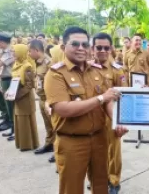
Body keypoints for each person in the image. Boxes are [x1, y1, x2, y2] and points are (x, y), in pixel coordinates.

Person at [44, 27, 127, 194]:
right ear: (63, 46)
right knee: (72, 188)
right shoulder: (55, 75)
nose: (81, 48)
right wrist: (101, 98)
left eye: (84, 44)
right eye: (75, 44)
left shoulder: (95, 71)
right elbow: (64, 109)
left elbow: (107, 102)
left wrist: (118, 121)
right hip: (72, 142)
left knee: (100, 185)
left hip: (98, 138)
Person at [91, 32, 128, 194]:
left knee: (113, 152)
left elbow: (126, 96)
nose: (102, 51)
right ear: (93, 48)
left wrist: (123, 121)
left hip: (112, 118)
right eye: (99, 47)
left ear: (111, 49)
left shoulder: (117, 71)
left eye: (106, 48)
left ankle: (114, 181)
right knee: (96, 152)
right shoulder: (86, 69)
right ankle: (100, 179)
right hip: (92, 118)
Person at [8, 44, 39, 151]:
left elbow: (29, 85)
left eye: (14, 51)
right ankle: (22, 143)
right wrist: (10, 92)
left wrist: (17, 95)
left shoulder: (27, 66)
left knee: (25, 121)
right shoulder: (16, 64)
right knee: (19, 120)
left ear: (20, 52)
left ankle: (28, 144)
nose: (12, 53)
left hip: (24, 98)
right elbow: (14, 81)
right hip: (17, 97)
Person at [28, 40, 55, 159]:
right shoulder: (37, 63)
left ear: (36, 50)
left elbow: (54, 82)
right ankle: (49, 144)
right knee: (47, 125)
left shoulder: (49, 63)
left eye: (30, 51)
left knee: (55, 125)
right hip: (41, 98)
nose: (28, 53)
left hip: (49, 99)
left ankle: (58, 149)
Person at [0, 33, 15, 138]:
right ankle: (11, 127)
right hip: (4, 79)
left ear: (2, 42)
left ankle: (15, 129)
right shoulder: (3, 51)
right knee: (8, 105)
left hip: (10, 80)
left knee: (11, 106)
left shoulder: (10, 52)